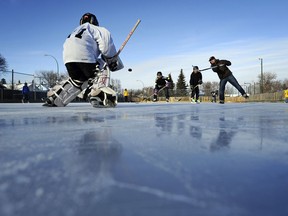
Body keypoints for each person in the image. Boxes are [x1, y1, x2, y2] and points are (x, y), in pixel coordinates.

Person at [43, 12, 123, 107]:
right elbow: (106, 48)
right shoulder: (97, 29)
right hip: (85, 57)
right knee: (102, 66)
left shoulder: (75, 31)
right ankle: (99, 96)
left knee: (78, 81)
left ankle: (56, 98)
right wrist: (111, 60)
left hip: (68, 59)